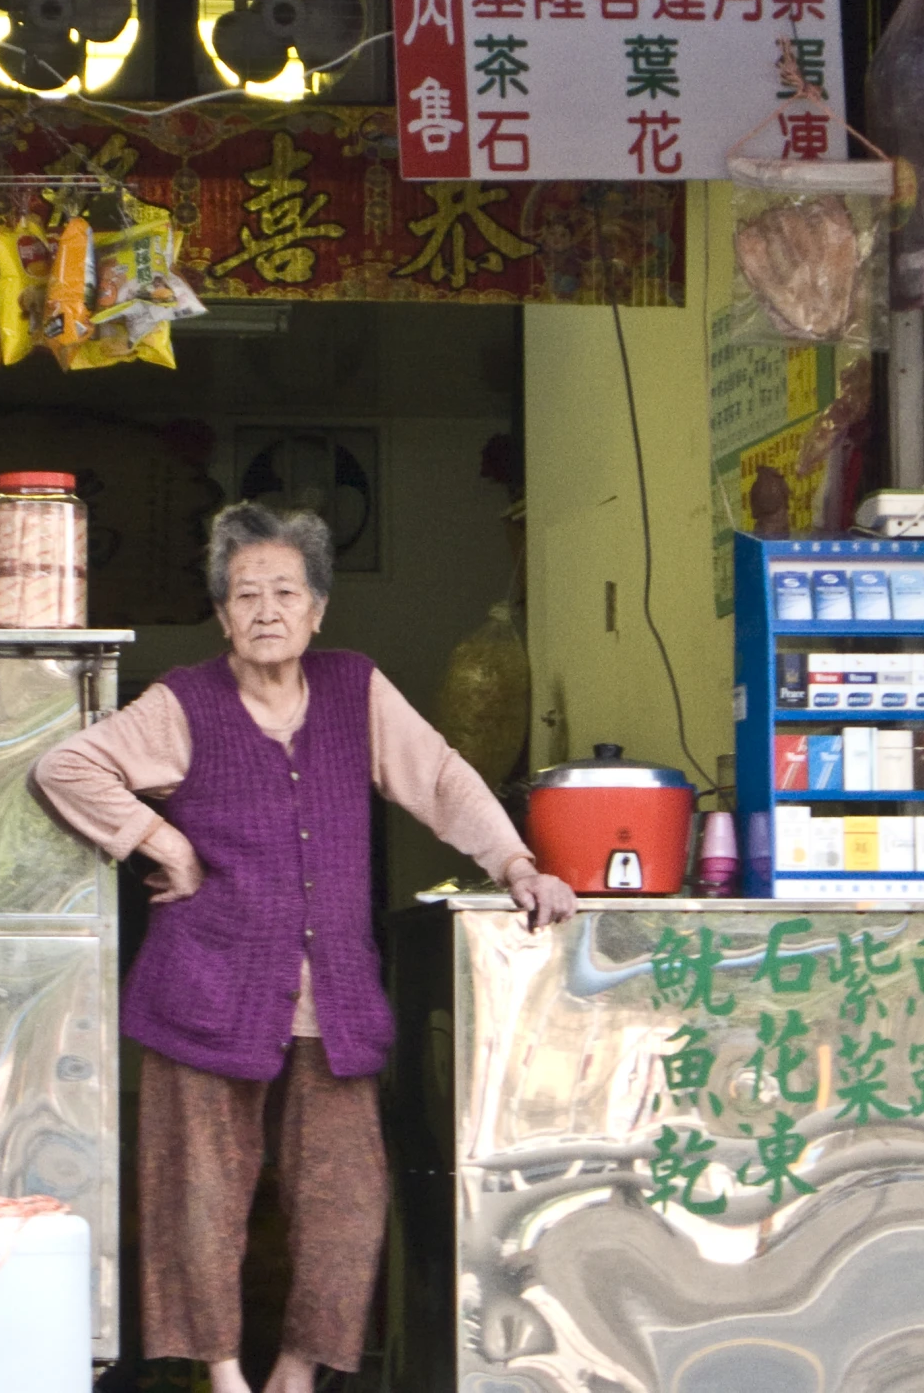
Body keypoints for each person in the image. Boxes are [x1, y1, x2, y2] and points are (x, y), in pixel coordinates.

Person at [34, 502, 576, 1393]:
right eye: (245, 594)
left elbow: (439, 777)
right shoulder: (185, 702)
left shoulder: (355, 689)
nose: (266, 610)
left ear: (319, 608)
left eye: (286, 591)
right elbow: (67, 767)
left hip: (334, 996)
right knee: (199, 1197)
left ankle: (295, 1370)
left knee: (346, 1203)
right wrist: (162, 841)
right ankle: (220, 1373)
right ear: (221, 614)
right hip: (204, 989)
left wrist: (517, 862)